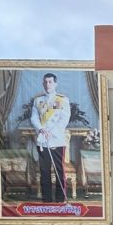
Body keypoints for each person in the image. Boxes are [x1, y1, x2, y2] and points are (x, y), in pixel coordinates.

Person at [30, 72, 71, 203]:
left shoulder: (62, 100)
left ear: (55, 84)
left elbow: (64, 119)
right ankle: (46, 200)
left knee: (59, 170)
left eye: (50, 82)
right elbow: (34, 118)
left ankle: (60, 199)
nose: (47, 84)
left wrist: (51, 132)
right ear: (43, 83)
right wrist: (41, 129)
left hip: (57, 140)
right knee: (44, 172)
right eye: (45, 82)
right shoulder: (38, 101)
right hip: (43, 141)